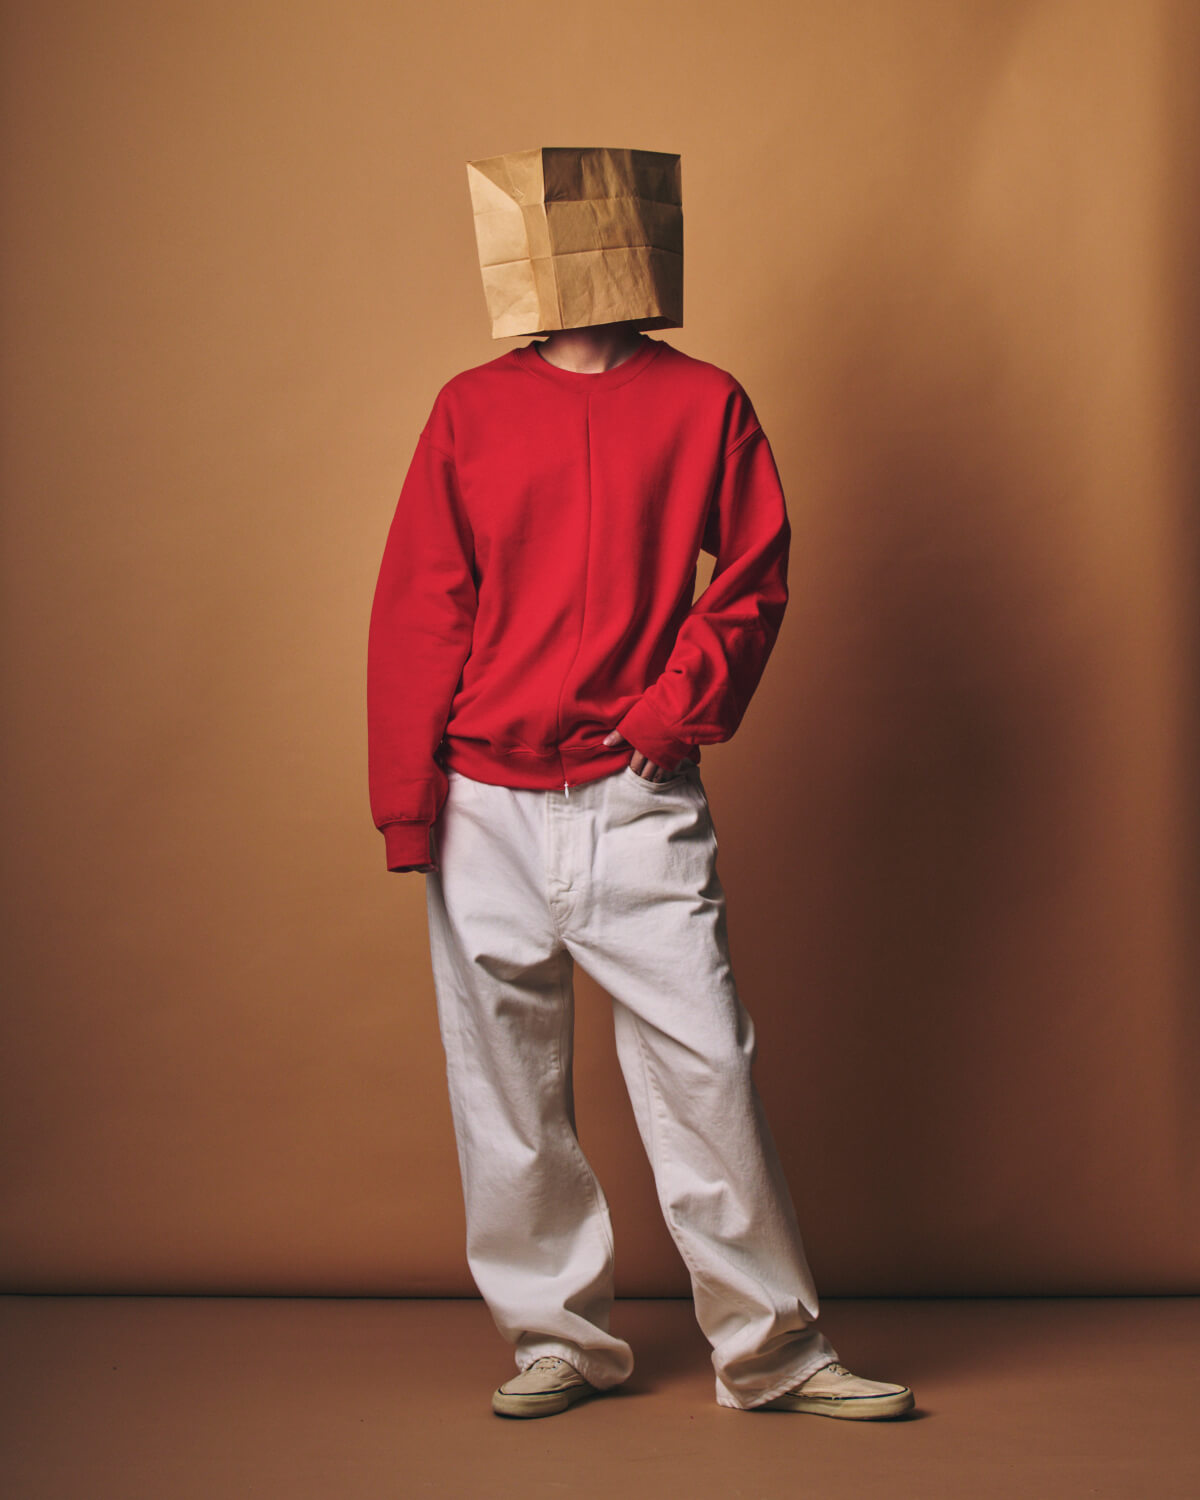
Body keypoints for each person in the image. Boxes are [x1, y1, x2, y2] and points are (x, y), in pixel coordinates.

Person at [367, 150, 914, 1422]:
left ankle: (775, 1352)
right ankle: (555, 1339)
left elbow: (755, 575)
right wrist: (409, 800)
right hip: (484, 801)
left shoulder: (706, 402)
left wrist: (674, 715)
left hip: (637, 790)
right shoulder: (468, 410)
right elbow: (420, 605)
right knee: (505, 1087)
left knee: (706, 1062)